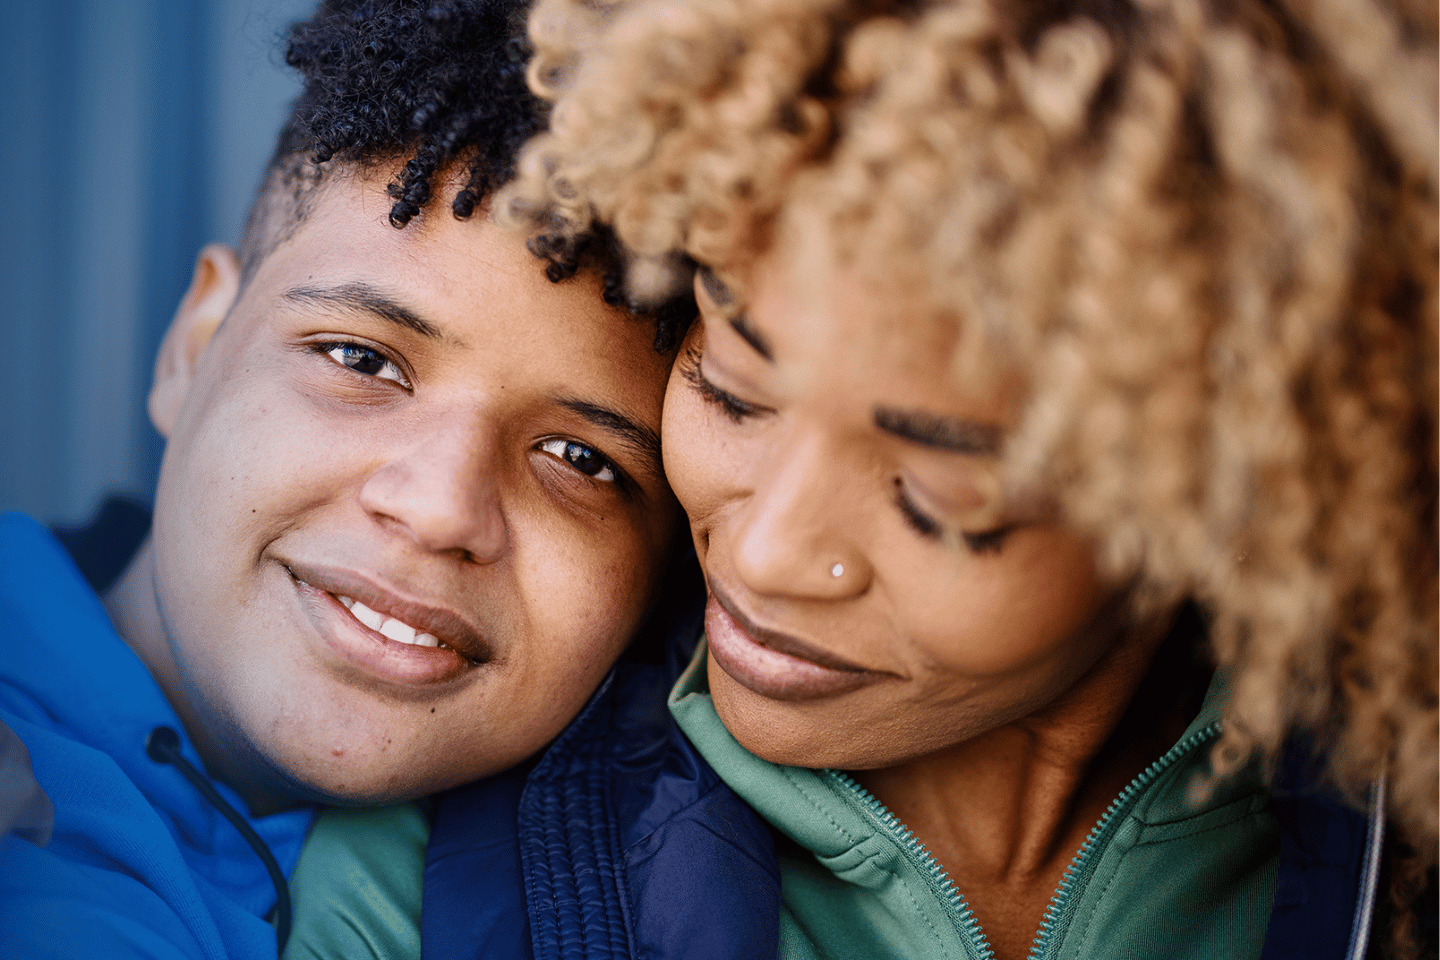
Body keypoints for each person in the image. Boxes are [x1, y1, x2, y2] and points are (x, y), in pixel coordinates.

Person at [485, 0, 1434, 956]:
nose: (768, 553)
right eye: (734, 394)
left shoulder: (1398, 863)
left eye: (938, 497)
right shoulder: (425, 881)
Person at [0, 1, 763, 958]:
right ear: (193, 346)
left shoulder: (672, 877)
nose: (441, 507)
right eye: (362, 361)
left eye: (581, 459)